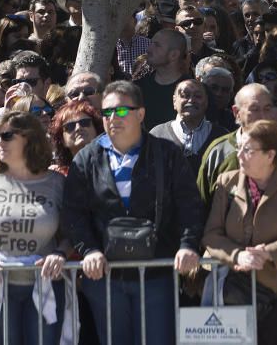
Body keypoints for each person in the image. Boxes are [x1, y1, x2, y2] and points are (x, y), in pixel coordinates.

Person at [62, 80, 205, 345]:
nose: (112, 118)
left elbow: (189, 205)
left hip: (157, 273)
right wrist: (89, 250)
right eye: (106, 112)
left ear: (140, 114)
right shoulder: (86, 158)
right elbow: (73, 214)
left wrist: (188, 245)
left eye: (121, 111)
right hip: (105, 278)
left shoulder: (168, 154)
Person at [202, 120, 277, 345]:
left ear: (270, 155)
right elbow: (211, 235)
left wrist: (269, 253)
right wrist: (238, 255)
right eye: (239, 148)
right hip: (234, 290)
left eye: (247, 150)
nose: (239, 155)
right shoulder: (227, 181)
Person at [0, 112, 68, 345]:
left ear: (29, 139)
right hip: (1, 285)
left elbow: (71, 233)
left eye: (7, 136)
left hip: (45, 285)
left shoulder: (56, 182)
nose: (0, 142)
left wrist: (60, 254)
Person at [150, 78, 228, 173]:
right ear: (174, 101)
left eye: (198, 96)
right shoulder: (157, 134)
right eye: (184, 95)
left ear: (206, 102)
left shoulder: (221, 137)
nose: (191, 100)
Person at [135, 29, 192, 129]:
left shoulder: (194, 92)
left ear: (174, 55)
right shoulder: (137, 89)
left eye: (157, 45)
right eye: (151, 43)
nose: (148, 49)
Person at [48, 99, 102, 175]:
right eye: (70, 126)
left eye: (84, 122)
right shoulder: (57, 177)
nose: (78, 128)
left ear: (96, 129)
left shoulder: (113, 164)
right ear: (62, 140)